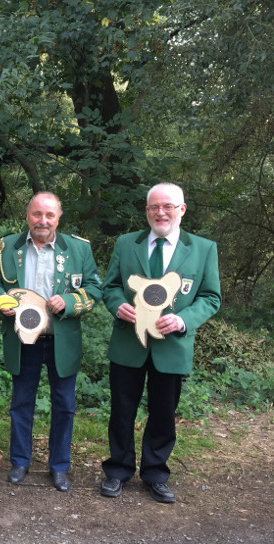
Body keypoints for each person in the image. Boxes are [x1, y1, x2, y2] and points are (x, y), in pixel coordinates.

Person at [100, 183, 221, 503]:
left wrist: (184, 320)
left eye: (168, 206)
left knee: (164, 413)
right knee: (122, 411)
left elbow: (211, 297)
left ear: (182, 209)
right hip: (129, 343)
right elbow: (110, 287)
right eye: (154, 207)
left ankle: (155, 473)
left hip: (172, 347)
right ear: (146, 211)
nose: (160, 212)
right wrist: (117, 305)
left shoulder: (203, 249)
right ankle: (117, 471)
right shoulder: (127, 244)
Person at [0, 192, 102, 492]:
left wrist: (68, 301)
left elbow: (94, 289)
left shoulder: (78, 249)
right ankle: (20, 462)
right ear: (28, 216)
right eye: (37, 214)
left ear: (58, 218)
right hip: (23, 339)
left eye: (49, 215)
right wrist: (1, 301)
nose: (43, 221)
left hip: (61, 338)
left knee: (64, 405)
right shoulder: (6, 247)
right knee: (21, 403)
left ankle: (59, 466)